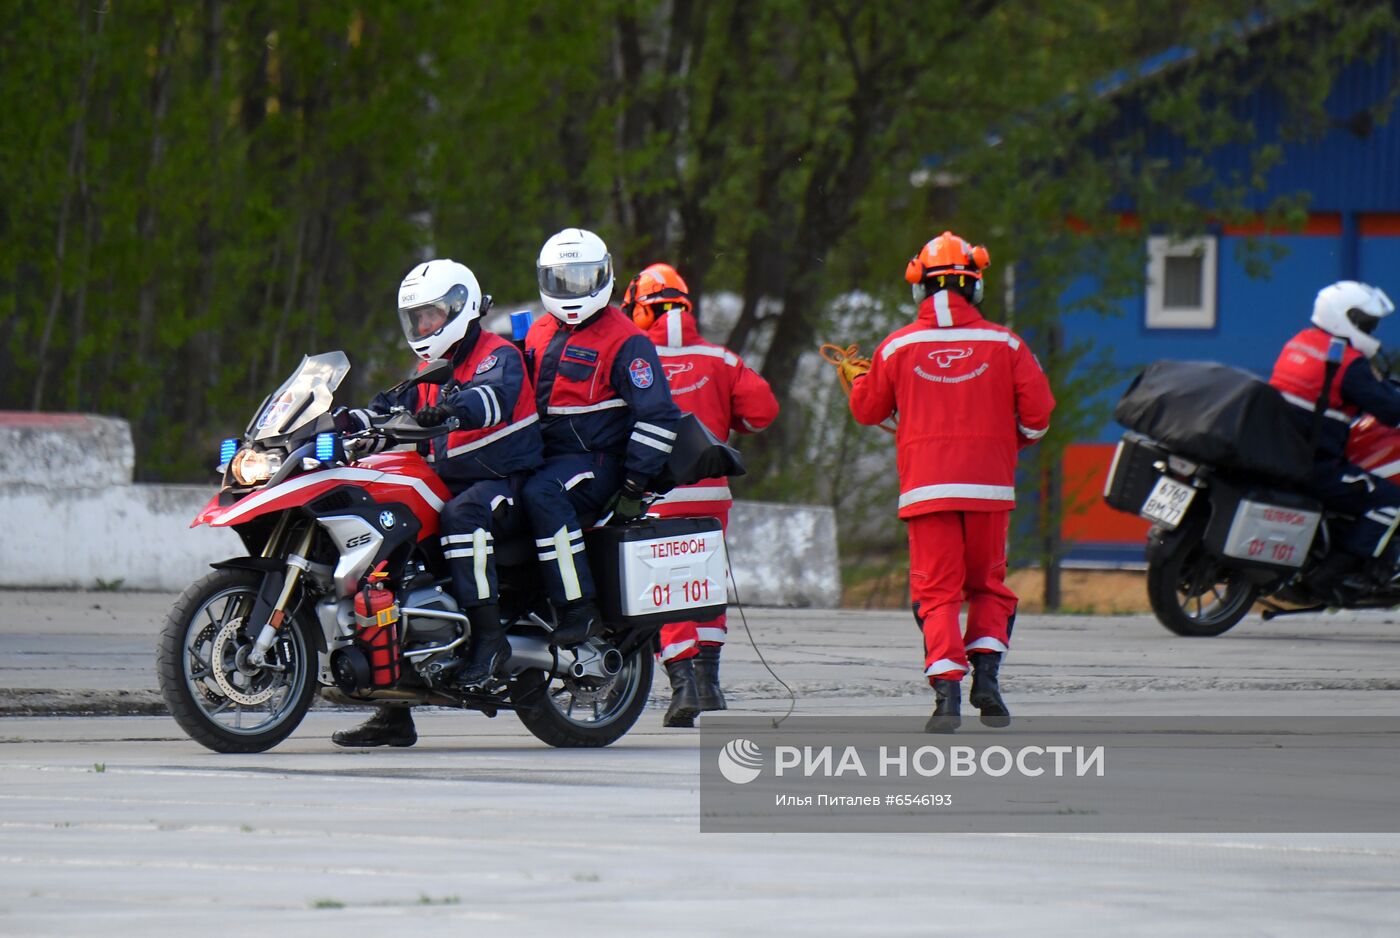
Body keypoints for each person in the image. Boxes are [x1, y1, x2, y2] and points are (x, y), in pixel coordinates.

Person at [843, 231, 1054, 733]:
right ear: (975, 287)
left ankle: (947, 697)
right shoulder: (1006, 343)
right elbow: (1039, 416)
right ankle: (988, 682)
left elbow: (869, 410)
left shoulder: (896, 347)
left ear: (919, 288)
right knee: (988, 586)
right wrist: (1005, 443)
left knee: (937, 594)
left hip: (926, 491)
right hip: (989, 488)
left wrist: (857, 380)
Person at [332, 259, 544, 749]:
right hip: (452, 481)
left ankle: (490, 641)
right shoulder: (431, 368)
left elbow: (491, 400)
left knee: (460, 518)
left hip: (505, 481)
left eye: (430, 316)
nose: (423, 327)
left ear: (459, 307)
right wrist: (344, 421)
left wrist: (453, 405)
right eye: (417, 319)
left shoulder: (497, 355)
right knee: (388, 554)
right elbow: (391, 405)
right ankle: (392, 707)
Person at [621, 262, 779, 727]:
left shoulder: (634, 360)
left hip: (657, 497)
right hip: (711, 497)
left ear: (641, 312)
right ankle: (709, 685)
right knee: (704, 586)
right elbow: (762, 411)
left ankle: (682, 684)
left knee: (667, 591)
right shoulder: (721, 359)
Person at [521, 229, 683, 647]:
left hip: (598, 460)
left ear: (605, 276)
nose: (572, 290)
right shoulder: (537, 330)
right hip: (548, 454)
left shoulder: (628, 340)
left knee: (542, 493)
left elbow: (658, 416)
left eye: (583, 278)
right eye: (562, 279)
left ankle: (580, 607)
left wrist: (634, 484)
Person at [1268, 280, 1400, 586]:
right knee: (1391, 499)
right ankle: (1336, 573)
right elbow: (1390, 410)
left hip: (1279, 453)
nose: (1371, 329)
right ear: (1345, 317)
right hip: (1316, 467)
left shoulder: (1298, 342)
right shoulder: (1347, 363)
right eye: (1367, 322)